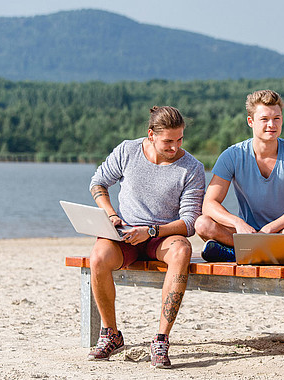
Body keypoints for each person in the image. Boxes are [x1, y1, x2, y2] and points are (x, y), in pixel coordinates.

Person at [86, 106, 205, 368]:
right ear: (151, 135)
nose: (175, 147)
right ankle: (111, 334)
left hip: (161, 236)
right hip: (124, 233)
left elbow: (189, 223)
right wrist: (111, 215)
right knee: (98, 257)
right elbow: (98, 182)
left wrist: (150, 232)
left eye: (180, 140)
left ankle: (161, 339)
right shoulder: (128, 151)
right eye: (168, 141)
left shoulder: (192, 168)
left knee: (182, 250)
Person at [194, 89, 284, 261]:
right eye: (264, 119)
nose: (271, 125)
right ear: (251, 121)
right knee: (202, 224)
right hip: (247, 231)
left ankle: (242, 252)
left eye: (276, 119)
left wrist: (270, 229)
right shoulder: (232, 155)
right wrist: (238, 223)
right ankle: (268, 250)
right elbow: (209, 204)